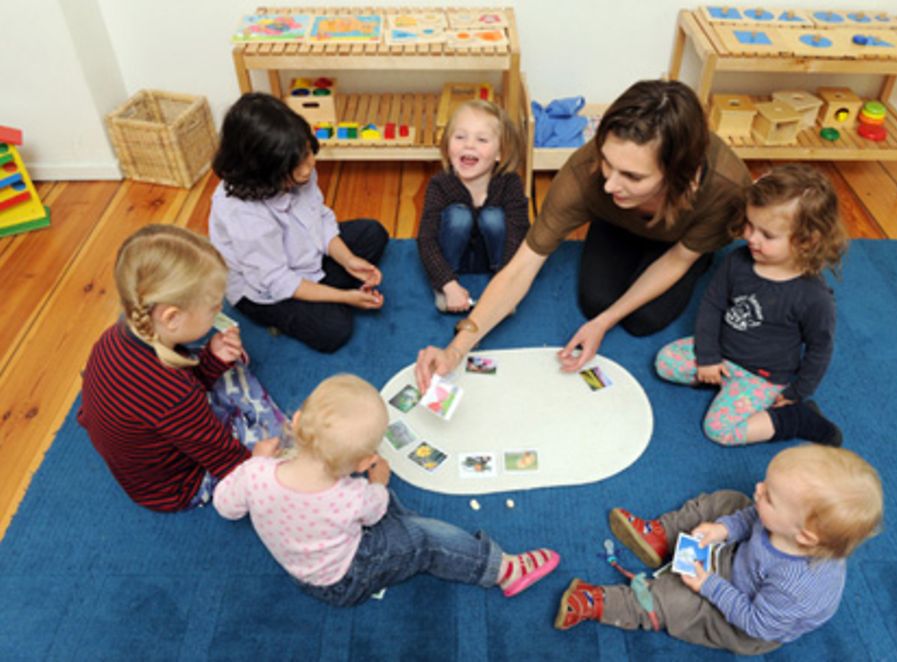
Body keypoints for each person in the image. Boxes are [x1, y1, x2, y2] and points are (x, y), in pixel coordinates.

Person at [414, 79, 751, 391]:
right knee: (595, 302)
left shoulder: (727, 188)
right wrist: (456, 350)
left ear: (681, 175)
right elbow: (521, 266)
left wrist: (605, 323)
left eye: (632, 176)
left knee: (643, 320)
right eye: (606, 161)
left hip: (680, 244)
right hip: (618, 223)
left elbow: (679, 258)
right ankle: (619, 225)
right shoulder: (583, 175)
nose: (608, 184)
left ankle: (699, 252)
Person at [212, 374, 560, 606]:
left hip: (301, 570)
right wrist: (378, 483)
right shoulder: (352, 495)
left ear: (298, 420)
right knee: (422, 538)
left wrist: (254, 461)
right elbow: (376, 509)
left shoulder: (255, 473)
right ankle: (500, 569)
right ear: (365, 462)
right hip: (345, 579)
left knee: (400, 525)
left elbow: (226, 506)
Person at [554, 444, 883, 655]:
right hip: (746, 561)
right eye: (766, 484)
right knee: (731, 500)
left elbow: (755, 623)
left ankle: (607, 603)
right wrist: (724, 529)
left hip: (745, 616)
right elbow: (752, 515)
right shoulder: (785, 525)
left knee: (678, 602)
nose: (758, 488)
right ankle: (659, 536)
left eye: (769, 495)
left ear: (806, 537)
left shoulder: (796, 586)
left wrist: (709, 585)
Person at [79, 225, 280, 512]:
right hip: (178, 486)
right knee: (276, 449)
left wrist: (210, 359)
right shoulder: (176, 393)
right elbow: (227, 462)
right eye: (213, 307)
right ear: (171, 318)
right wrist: (257, 461)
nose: (218, 312)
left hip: (146, 451)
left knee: (222, 368)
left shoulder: (116, 335)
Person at [656, 164, 848, 446]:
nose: (750, 238)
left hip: (762, 377)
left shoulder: (814, 297)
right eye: (749, 225)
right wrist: (709, 356)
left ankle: (797, 418)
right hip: (722, 355)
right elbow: (712, 305)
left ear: (807, 241)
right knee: (665, 362)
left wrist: (797, 393)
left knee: (719, 430)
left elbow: (820, 348)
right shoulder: (738, 260)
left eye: (767, 235)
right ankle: (723, 384)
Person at [209, 92, 389, 354]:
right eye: (299, 163)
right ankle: (320, 301)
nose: (310, 165)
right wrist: (345, 297)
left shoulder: (296, 168)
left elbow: (319, 217)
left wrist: (348, 259)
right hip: (264, 290)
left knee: (373, 233)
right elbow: (278, 280)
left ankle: (324, 293)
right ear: (264, 171)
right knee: (334, 330)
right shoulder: (243, 214)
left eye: (307, 153)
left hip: (303, 255)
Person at [417, 99, 529, 313]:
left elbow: (518, 234)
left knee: (493, 217)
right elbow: (426, 240)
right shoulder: (440, 184)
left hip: (493, 260)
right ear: (448, 145)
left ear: (499, 154)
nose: (469, 145)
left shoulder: (510, 183)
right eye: (460, 137)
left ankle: (504, 286)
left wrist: (506, 283)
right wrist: (447, 284)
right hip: (452, 260)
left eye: (482, 140)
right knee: (459, 216)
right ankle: (444, 288)